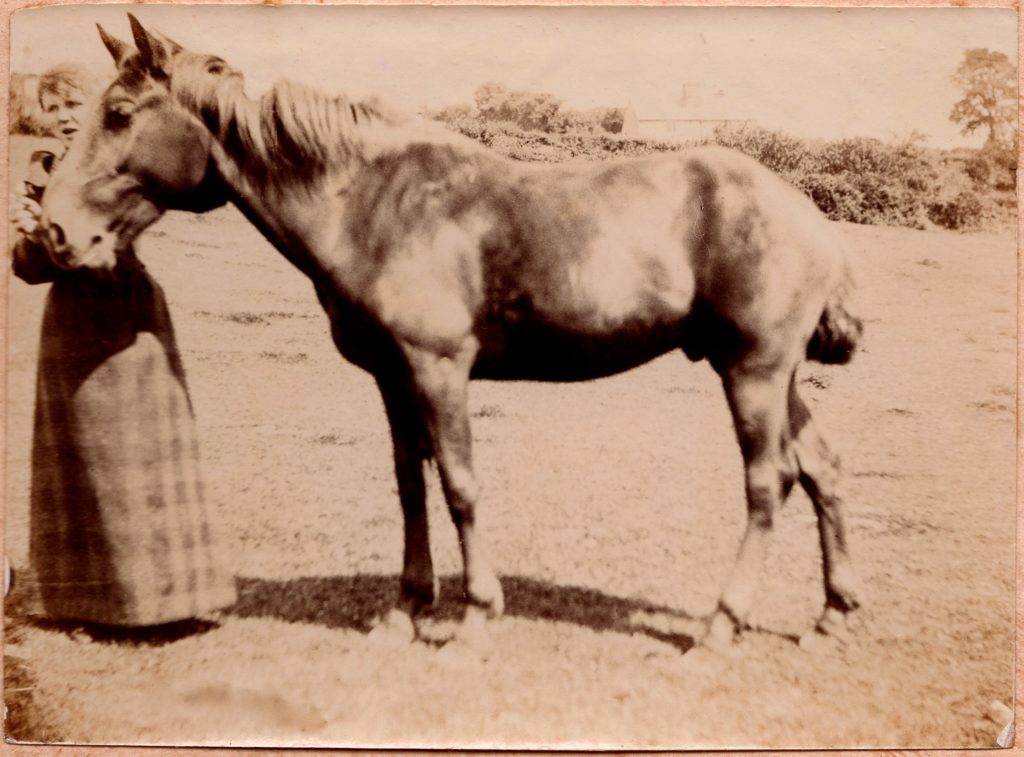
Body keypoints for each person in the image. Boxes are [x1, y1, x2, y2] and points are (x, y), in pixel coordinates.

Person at [8, 63, 237, 627]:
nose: (64, 117)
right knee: (90, 461)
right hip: (76, 322)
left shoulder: (124, 162)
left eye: (73, 105)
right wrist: (34, 237)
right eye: (53, 107)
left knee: (156, 455)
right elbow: (27, 264)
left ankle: (175, 601)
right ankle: (92, 605)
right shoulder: (41, 173)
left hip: (135, 312)